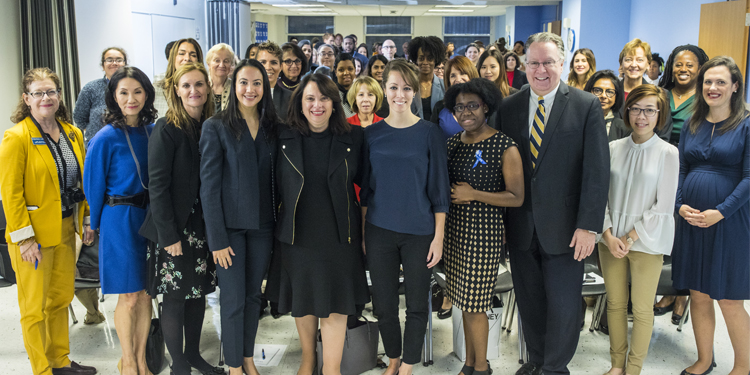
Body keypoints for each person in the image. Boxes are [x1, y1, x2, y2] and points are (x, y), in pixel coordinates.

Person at [497, 32, 609, 375]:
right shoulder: (510, 106)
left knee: (563, 307)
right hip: (520, 226)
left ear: (562, 64)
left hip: (567, 228)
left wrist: (589, 226)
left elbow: (597, 172)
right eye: (533, 63)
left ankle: (555, 368)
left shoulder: (585, 105)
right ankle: (537, 362)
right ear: (524, 66)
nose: (540, 70)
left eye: (548, 62)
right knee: (531, 303)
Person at [271, 73, 370, 375]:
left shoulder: (354, 137)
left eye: (324, 98)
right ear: (299, 103)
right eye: (310, 98)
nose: (317, 105)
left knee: (336, 302)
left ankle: (332, 368)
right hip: (297, 234)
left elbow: (365, 190)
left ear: (334, 103)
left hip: (341, 234)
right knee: (304, 300)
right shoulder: (283, 137)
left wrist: (364, 234)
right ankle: (308, 359)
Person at [1, 67, 96, 375]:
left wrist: (85, 220)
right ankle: (42, 369)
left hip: (66, 229)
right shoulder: (16, 138)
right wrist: (25, 239)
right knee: (34, 309)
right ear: (27, 99)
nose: (46, 98)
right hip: (34, 239)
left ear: (59, 96)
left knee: (59, 299)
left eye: (51, 92)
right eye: (38, 93)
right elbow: (11, 194)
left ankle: (61, 361)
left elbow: (81, 184)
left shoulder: (73, 133)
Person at [360, 59, 450, 375]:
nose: (400, 94)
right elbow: (366, 193)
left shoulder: (430, 133)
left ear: (414, 91)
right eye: (394, 87)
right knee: (384, 305)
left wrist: (438, 237)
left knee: (416, 304)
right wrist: (362, 233)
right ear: (384, 90)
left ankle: (409, 363)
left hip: (420, 232)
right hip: (379, 230)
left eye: (407, 88)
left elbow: (440, 191)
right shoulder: (371, 135)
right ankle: (394, 356)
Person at [138, 62, 221, 375]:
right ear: (175, 90)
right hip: (173, 230)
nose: (193, 91)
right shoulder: (167, 128)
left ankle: (194, 356)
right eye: (186, 85)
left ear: (208, 87)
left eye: (199, 84)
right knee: (174, 297)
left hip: (202, 227)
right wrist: (168, 235)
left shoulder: (210, 125)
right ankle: (179, 366)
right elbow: (157, 186)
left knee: (197, 293)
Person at [199, 59, 279, 375]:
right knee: (231, 300)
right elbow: (209, 188)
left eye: (257, 83)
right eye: (243, 82)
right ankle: (234, 366)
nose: (250, 89)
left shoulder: (274, 126)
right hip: (229, 231)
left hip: (262, 227)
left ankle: (247, 357)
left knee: (252, 297)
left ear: (265, 87)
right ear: (234, 86)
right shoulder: (216, 126)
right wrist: (216, 239)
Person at [672, 56, 749, 375]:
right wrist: (679, 204)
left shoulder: (746, 125)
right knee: (698, 294)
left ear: (734, 87)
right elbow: (681, 168)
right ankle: (704, 360)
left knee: (729, 298)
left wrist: (721, 211)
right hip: (691, 222)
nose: (712, 87)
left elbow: (749, 177)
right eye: (708, 82)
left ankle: (744, 366)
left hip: (730, 223)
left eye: (720, 82)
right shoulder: (693, 123)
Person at [443, 78, 524, 375]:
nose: (465, 112)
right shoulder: (452, 143)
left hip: (484, 235)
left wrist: (474, 194)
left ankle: (481, 367)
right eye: (459, 107)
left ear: (486, 107)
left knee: (475, 304)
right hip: (455, 233)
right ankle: (469, 362)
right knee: (463, 302)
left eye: (472, 106)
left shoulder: (504, 145)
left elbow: (516, 197)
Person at [599, 84, 679, 375]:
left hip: (646, 240)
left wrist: (629, 237)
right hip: (610, 241)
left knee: (642, 309)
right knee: (616, 304)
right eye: (635, 108)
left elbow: (664, 205)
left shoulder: (668, 153)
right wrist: (608, 234)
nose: (641, 116)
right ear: (627, 110)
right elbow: (600, 196)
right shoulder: (612, 149)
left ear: (660, 114)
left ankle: (634, 370)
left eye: (649, 110)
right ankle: (617, 366)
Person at [84, 66, 157, 375]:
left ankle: (141, 359)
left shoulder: (154, 131)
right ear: (113, 97)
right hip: (119, 220)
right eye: (123, 92)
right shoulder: (104, 138)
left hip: (150, 219)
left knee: (144, 294)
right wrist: (94, 224)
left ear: (147, 94)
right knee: (127, 296)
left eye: (137, 91)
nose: (131, 98)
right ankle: (127, 361)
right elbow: (93, 186)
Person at [619, 39, 674, 142]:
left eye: (640, 60)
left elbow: (663, 133)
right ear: (621, 63)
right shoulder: (610, 92)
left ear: (648, 64)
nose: (634, 64)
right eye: (628, 59)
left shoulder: (660, 94)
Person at [74, 46, 127, 145]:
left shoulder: (133, 87)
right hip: (97, 145)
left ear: (125, 64)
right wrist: (95, 132)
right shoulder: (91, 88)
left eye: (119, 60)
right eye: (109, 60)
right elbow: (79, 118)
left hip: (126, 144)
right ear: (103, 66)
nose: (114, 63)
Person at [658, 45, 709, 146]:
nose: (683, 69)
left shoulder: (705, 98)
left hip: (691, 153)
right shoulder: (661, 95)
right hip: (659, 152)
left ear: (700, 69)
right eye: (678, 65)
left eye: (689, 65)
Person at [431, 56, 480, 141]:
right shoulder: (440, 107)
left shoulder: (485, 105)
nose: (458, 79)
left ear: (472, 74)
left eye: (462, 73)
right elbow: (432, 140)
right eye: (453, 76)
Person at [155, 38, 203, 117]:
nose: (187, 58)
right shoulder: (158, 88)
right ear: (172, 58)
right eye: (181, 53)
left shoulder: (205, 87)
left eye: (193, 55)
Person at [407, 36, 447, 121]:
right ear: (416, 60)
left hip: (438, 132)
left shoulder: (445, 85)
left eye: (430, 58)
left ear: (436, 60)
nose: (425, 62)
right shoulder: (408, 86)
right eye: (421, 58)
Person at [583, 70, 627, 141]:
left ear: (617, 96)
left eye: (609, 92)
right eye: (597, 90)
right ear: (588, 91)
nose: (603, 96)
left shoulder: (624, 128)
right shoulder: (577, 123)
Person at [256, 41, 292, 122]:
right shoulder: (248, 96)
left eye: (273, 62)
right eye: (263, 62)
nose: (268, 67)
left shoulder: (290, 98)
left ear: (281, 67)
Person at [206, 43, 236, 111]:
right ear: (208, 64)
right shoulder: (201, 85)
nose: (222, 65)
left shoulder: (235, 87)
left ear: (231, 64)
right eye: (217, 60)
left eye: (226, 61)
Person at [333, 53, 357, 118]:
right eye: (341, 70)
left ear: (355, 70)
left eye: (350, 69)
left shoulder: (361, 92)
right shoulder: (332, 95)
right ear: (336, 72)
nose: (346, 73)